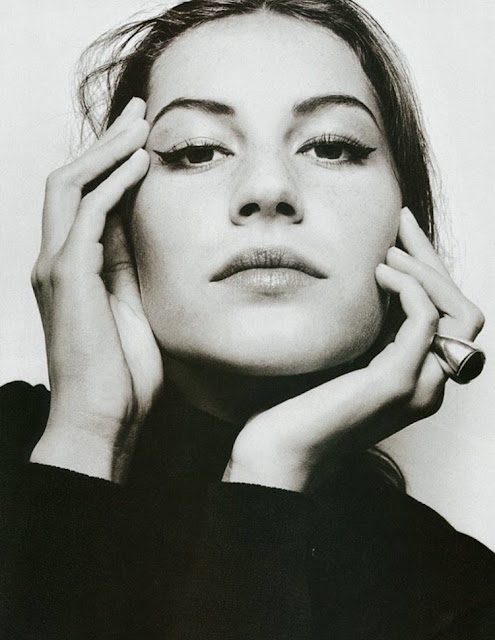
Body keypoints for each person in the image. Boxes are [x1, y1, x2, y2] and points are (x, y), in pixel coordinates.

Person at [1, 0, 493, 638]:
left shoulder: (463, 600)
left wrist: (269, 474)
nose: (268, 189)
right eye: (197, 151)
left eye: (332, 147)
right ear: (115, 219)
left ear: (407, 222)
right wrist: (86, 438)